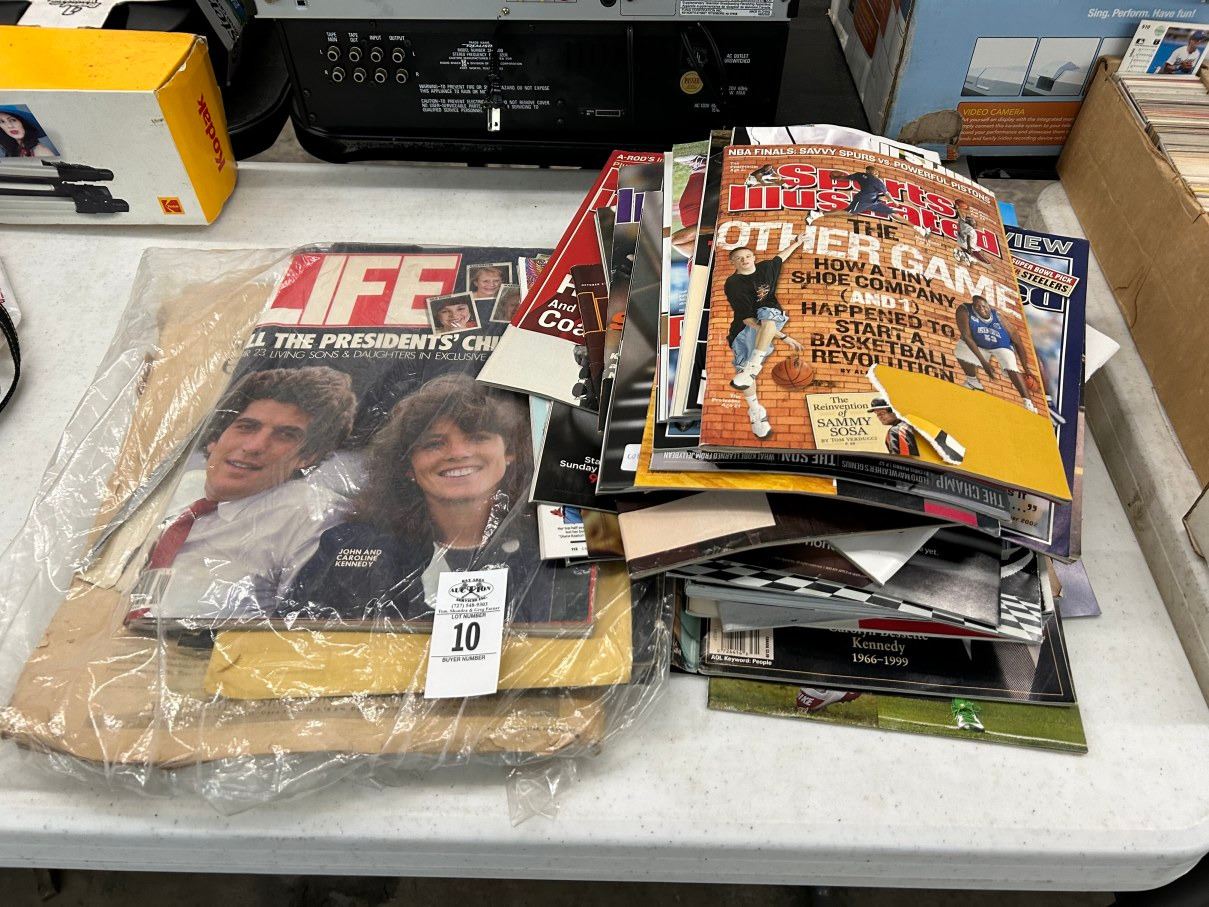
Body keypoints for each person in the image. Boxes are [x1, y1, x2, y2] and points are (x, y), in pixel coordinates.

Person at [282, 373, 589, 627]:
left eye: (477, 437)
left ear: (509, 453)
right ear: (408, 466)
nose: (457, 453)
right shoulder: (350, 546)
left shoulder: (557, 545)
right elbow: (294, 636)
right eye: (434, 444)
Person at [126, 366, 357, 626]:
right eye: (247, 427)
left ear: (308, 456)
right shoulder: (176, 490)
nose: (254, 446)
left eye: (286, 436)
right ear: (215, 438)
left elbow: (300, 630)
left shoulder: (312, 515)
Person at [724, 237, 808, 439]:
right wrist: (784, 337)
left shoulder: (766, 268)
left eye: (747, 256)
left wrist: (797, 243)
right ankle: (755, 411)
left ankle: (753, 367)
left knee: (768, 313)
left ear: (753, 257)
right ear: (733, 262)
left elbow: (781, 257)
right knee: (744, 376)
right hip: (744, 329)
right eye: (739, 258)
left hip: (768, 316)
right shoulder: (733, 284)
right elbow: (748, 319)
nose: (744, 260)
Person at [954, 295, 1039, 413]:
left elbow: (1017, 341)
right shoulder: (964, 310)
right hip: (979, 344)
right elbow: (966, 336)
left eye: (984, 306)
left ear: (989, 306)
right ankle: (972, 381)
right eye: (977, 307)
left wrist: (1026, 368)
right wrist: (984, 362)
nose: (981, 309)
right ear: (973, 307)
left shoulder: (998, 317)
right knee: (961, 349)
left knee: (1011, 366)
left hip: (1001, 346)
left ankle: (1028, 403)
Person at [807, 165, 930, 238]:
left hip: (873, 202)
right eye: (876, 172)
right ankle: (817, 214)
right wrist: (895, 202)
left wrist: (837, 177)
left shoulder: (860, 175)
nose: (877, 174)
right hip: (862, 200)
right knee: (849, 213)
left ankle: (919, 229)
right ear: (873, 172)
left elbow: (847, 178)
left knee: (893, 214)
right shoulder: (877, 181)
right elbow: (887, 194)